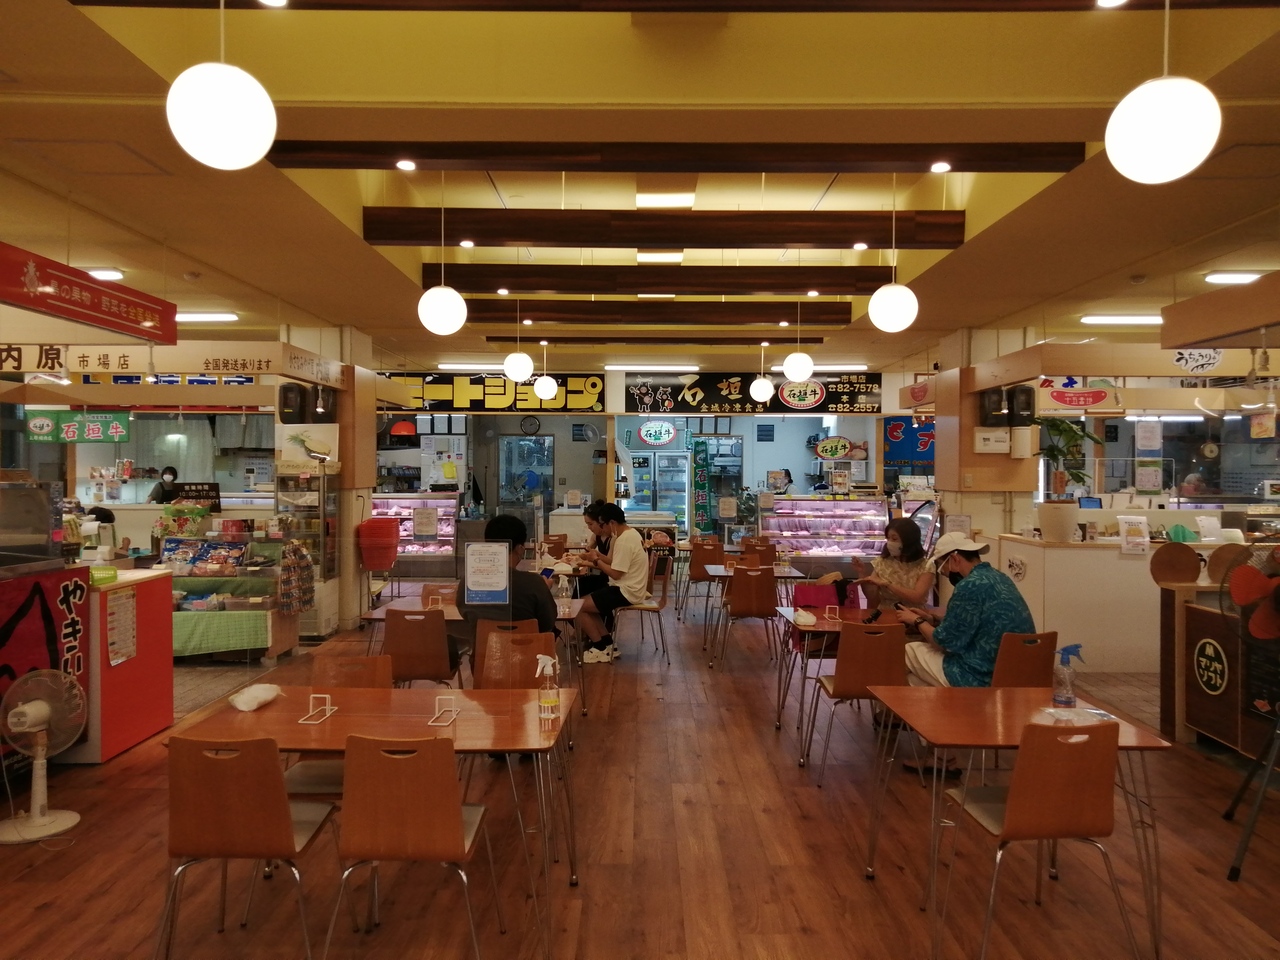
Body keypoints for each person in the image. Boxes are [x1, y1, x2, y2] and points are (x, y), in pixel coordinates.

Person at [894, 531, 1034, 689]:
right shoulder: (1000, 577)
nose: (944, 573)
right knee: (915, 681)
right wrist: (932, 620)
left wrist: (916, 620)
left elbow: (943, 643)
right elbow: (973, 623)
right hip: (1015, 673)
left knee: (909, 650)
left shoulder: (968, 586)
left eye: (942, 566)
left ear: (954, 559)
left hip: (979, 677)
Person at [455, 514, 557, 672]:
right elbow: (547, 623)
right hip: (530, 665)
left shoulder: (469, 582)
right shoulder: (534, 582)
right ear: (519, 548)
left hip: (484, 665)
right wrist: (544, 589)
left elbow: (466, 615)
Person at [576, 502, 649, 663]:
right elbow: (615, 562)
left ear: (612, 523)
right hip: (630, 588)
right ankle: (607, 644)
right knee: (587, 604)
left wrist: (596, 561)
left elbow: (615, 574)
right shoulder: (631, 534)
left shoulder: (624, 540)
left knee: (578, 606)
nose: (602, 528)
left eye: (602, 524)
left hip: (626, 591)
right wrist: (597, 556)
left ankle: (600, 647)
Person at [858, 518, 935, 618]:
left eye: (894, 539)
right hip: (885, 616)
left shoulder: (926, 566)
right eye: (888, 538)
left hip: (914, 616)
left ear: (909, 540)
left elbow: (917, 597)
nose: (890, 543)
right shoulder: (882, 562)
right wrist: (862, 574)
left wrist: (887, 584)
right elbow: (872, 597)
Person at [575, 500, 614, 623]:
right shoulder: (596, 536)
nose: (589, 528)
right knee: (581, 585)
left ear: (601, 522)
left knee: (583, 588)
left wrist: (583, 562)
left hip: (610, 578)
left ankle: (600, 623)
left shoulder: (613, 538)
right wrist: (575, 557)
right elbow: (588, 552)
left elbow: (608, 564)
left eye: (591, 524)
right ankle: (584, 626)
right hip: (604, 576)